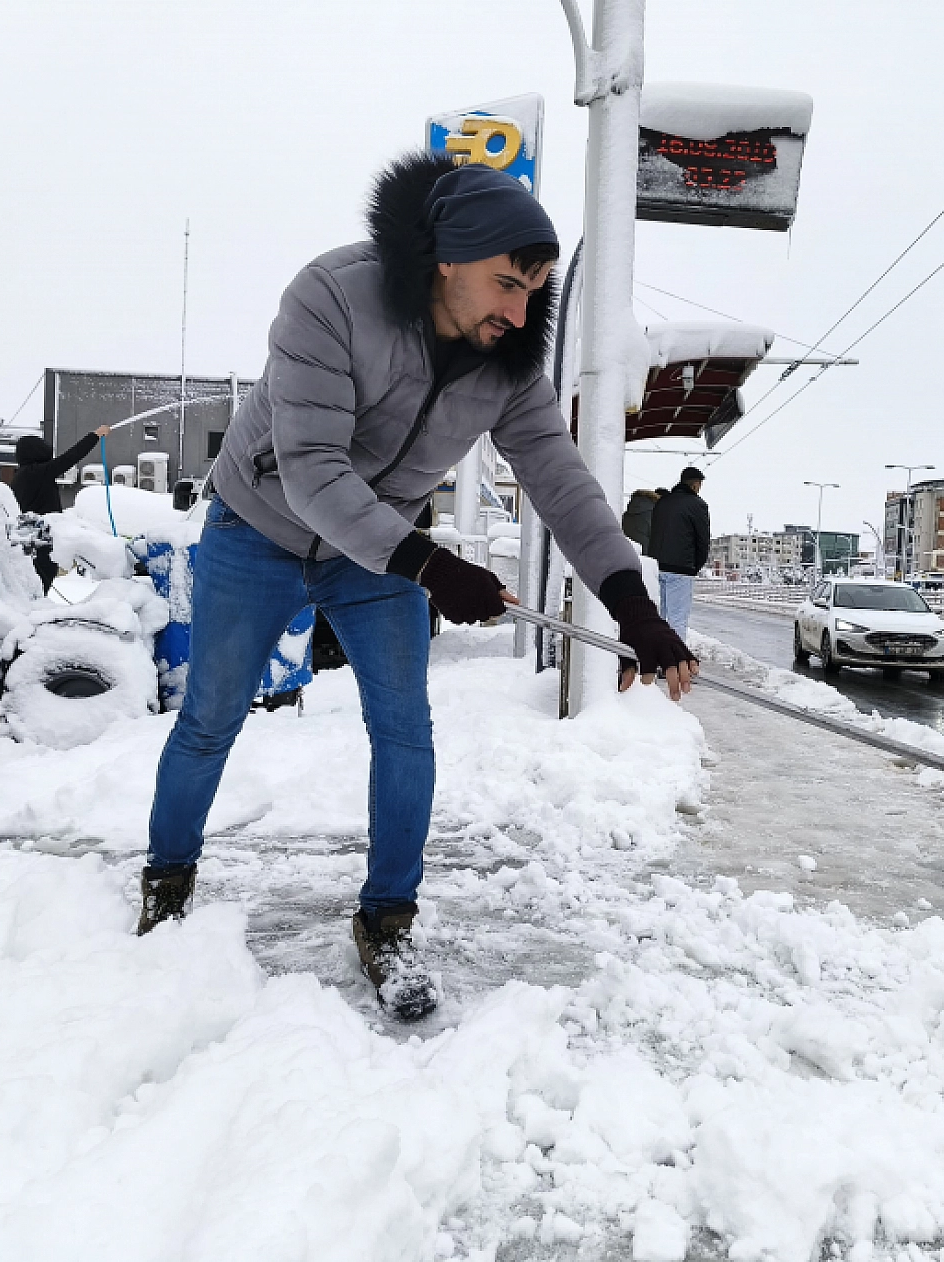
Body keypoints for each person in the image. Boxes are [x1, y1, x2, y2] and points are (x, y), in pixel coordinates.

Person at [136, 153, 698, 1019]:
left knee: (405, 731)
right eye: (506, 284)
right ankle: (167, 881)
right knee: (211, 717)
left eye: (535, 289)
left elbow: (557, 476)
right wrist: (432, 567)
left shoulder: (504, 357)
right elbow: (315, 472)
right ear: (444, 259)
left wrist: (630, 602)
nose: (520, 312)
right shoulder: (329, 299)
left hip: (380, 547)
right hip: (262, 526)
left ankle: (388, 918)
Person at [11, 425, 112, 592]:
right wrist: (95, 436)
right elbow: (69, 458)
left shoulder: (22, 476)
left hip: (31, 541)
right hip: (40, 542)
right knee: (41, 582)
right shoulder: (36, 473)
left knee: (35, 584)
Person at [644, 468, 710, 639]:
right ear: (695, 484)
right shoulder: (698, 505)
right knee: (677, 620)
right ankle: (673, 661)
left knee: (660, 618)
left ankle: (657, 656)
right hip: (681, 569)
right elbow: (703, 540)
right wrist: (695, 566)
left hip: (658, 566)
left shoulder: (662, 503)